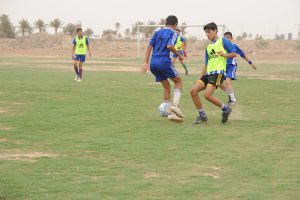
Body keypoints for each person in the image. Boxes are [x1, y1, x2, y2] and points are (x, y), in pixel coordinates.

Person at [190, 22, 237, 124]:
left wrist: (225, 55)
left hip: (218, 73)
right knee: (193, 91)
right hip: (208, 74)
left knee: (207, 95)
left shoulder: (223, 41)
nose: (207, 34)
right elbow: (206, 64)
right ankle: (202, 116)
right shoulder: (208, 47)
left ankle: (225, 109)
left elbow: (234, 54)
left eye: (209, 31)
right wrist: (200, 78)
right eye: (206, 32)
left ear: (216, 30)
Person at [141, 15, 185, 123]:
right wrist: (179, 55)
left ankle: (171, 114)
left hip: (153, 64)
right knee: (178, 82)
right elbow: (170, 46)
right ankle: (175, 107)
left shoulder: (156, 33)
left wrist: (146, 63)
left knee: (166, 87)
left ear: (166, 23)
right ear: (175, 25)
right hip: (164, 62)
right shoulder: (173, 32)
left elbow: (149, 47)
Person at [221, 31, 257, 105]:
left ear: (231, 38)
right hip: (224, 67)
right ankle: (231, 95)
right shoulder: (222, 47)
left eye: (228, 38)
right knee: (220, 83)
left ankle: (233, 100)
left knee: (228, 82)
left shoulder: (234, 46)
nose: (226, 39)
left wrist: (250, 63)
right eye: (225, 38)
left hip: (232, 66)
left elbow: (243, 55)